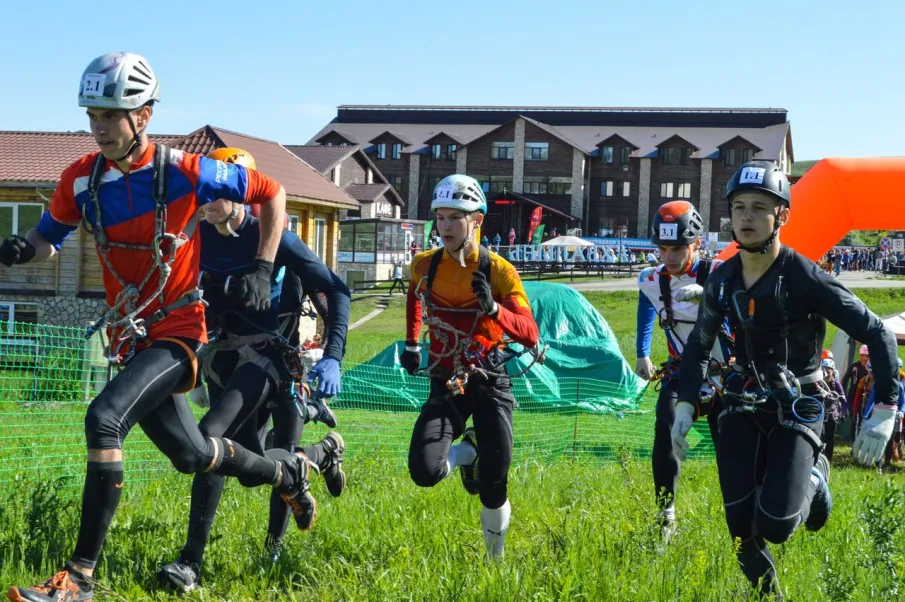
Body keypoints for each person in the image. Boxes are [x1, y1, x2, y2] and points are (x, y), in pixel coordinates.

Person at [0, 52, 315, 602]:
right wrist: (23, 249)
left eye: (110, 115)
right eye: (92, 114)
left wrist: (264, 268)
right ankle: (287, 476)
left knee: (103, 419)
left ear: (142, 117)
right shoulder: (80, 180)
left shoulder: (185, 171)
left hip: (178, 330)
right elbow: (51, 240)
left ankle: (79, 579)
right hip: (130, 337)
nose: (97, 126)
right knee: (194, 454)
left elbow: (273, 194)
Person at [670, 161, 899, 598]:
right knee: (740, 530)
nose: (747, 217)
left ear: (783, 216)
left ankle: (817, 476)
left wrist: (886, 408)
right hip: (741, 405)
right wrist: (685, 403)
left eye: (759, 207)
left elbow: (876, 330)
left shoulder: (806, 278)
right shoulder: (720, 281)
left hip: (800, 405)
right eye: (739, 207)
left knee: (775, 525)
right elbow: (699, 345)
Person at [156, 148, 351, 591]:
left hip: (270, 359)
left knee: (210, 438)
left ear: (244, 194)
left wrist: (335, 354)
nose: (206, 199)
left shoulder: (276, 235)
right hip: (219, 359)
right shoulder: (196, 236)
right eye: (203, 190)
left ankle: (196, 562)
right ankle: (320, 457)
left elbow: (336, 291)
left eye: (218, 191)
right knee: (250, 464)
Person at [401, 175, 539, 561]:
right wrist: (412, 341)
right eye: (440, 217)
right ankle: (468, 453)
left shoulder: (499, 271)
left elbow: (530, 333)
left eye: (455, 218)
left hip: (491, 379)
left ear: (477, 220)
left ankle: (493, 565)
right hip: (446, 382)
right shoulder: (424, 265)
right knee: (424, 471)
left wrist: (495, 309)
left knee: (494, 486)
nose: (444, 226)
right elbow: (413, 295)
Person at [635, 201, 732, 542]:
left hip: (725, 372)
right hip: (682, 370)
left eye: (677, 248)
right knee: (665, 422)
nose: (669, 257)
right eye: (662, 249)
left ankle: (742, 517)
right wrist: (641, 353)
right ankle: (666, 515)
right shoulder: (651, 277)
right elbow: (647, 304)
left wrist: (712, 297)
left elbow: (745, 306)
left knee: (729, 443)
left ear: (697, 244)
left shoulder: (721, 270)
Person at [819, 356, 846, 461]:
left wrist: (843, 413)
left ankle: (828, 459)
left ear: (833, 371)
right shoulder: (819, 383)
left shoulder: (836, 384)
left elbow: (844, 401)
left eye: (828, 371)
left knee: (830, 438)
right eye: (824, 370)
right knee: (821, 436)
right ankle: (819, 457)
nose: (826, 373)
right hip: (820, 413)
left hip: (832, 415)